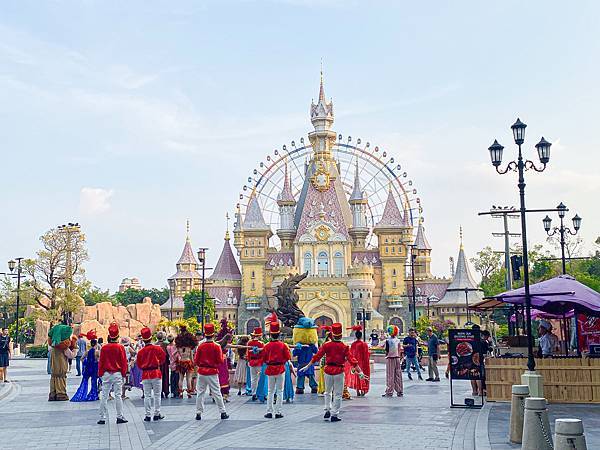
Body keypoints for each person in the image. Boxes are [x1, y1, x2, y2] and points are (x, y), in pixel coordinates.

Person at [300, 323, 365, 422]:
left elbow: (317, 356)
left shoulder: (327, 345)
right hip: (339, 371)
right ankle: (334, 414)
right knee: (338, 394)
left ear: (332, 334)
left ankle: (327, 408)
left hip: (328, 371)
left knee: (327, 392)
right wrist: (360, 372)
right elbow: (352, 360)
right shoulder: (344, 347)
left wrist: (308, 365)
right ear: (341, 335)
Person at [194, 323, 229, 421]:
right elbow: (220, 361)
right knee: (217, 392)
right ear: (213, 335)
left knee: (200, 393)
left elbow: (196, 360)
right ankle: (222, 412)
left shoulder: (200, 346)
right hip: (212, 372)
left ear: (205, 335)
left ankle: (198, 412)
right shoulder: (217, 346)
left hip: (201, 372)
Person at [98, 322, 128, 425]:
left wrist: (100, 373)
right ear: (118, 336)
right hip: (117, 374)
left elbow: (101, 362)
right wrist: (124, 374)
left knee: (104, 395)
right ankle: (119, 416)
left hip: (106, 374)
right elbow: (124, 362)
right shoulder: (120, 347)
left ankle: (102, 417)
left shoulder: (104, 348)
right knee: (118, 395)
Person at [261, 321, 291, 419]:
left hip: (270, 369)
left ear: (270, 335)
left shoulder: (266, 346)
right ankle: (278, 412)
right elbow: (288, 357)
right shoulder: (283, 345)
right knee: (280, 391)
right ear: (279, 334)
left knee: (270, 391)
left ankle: (269, 411)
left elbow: (263, 359)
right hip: (280, 369)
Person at [136, 327, 167, 422]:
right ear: (151, 338)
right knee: (157, 395)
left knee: (147, 395)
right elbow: (163, 359)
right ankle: (157, 413)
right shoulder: (157, 348)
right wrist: (157, 363)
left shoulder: (140, 352)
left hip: (145, 374)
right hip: (156, 373)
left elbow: (139, 364)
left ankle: (147, 415)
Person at [48, 324, 77, 401]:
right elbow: (71, 356)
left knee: (53, 379)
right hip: (61, 369)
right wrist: (74, 349)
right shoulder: (64, 349)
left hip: (54, 369)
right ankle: (61, 394)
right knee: (61, 380)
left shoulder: (53, 348)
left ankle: (53, 394)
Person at [71, 332, 100, 402]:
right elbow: (99, 360)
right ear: (96, 344)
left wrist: (86, 363)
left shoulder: (87, 351)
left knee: (85, 381)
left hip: (88, 368)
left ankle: (82, 394)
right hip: (94, 368)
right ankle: (94, 395)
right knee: (94, 382)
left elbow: (82, 359)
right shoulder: (97, 352)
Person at [348, 326, 370, 396]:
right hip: (362, 363)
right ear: (361, 336)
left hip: (355, 363)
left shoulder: (353, 344)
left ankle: (358, 391)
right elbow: (366, 355)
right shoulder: (364, 344)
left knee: (357, 376)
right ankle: (363, 389)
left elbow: (350, 354)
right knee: (362, 375)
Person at [175, 325, 196, 398]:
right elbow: (192, 357)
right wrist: (193, 363)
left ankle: (180, 392)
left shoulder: (179, 347)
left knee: (180, 378)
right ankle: (189, 393)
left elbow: (177, 354)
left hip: (181, 362)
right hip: (188, 361)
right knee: (189, 379)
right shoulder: (189, 347)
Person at [382, 325, 403, 397]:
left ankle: (389, 391)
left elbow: (386, 350)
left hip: (390, 358)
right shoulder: (398, 340)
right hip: (397, 358)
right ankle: (399, 391)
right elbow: (399, 350)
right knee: (398, 375)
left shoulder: (387, 340)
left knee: (390, 375)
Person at [247, 327, 265, 401]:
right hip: (259, 362)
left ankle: (253, 393)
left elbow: (248, 353)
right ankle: (260, 393)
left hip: (252, 362)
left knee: (253, 379)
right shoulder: (261, 344)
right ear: (259, 335)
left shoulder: (249, 343)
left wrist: (249, 361)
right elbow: (263, 354)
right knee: (260, 379)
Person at [217, 333, 233, 402]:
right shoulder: (226, 345)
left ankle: (217, 394)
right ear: (229, 339)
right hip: (223, 362)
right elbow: (238, 346)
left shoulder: (218, 343)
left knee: (219, 377)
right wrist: (248, 347)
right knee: (225, 377)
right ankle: (225, 396)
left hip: (218, 362)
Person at [157, 331, 170, 398]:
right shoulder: (166, 344)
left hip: (157, 364)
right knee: (165, 377)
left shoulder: (155, 344)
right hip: (164, 363)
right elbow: (168, 354)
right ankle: (166, 391)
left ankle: (160, 391)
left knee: (159, 378)